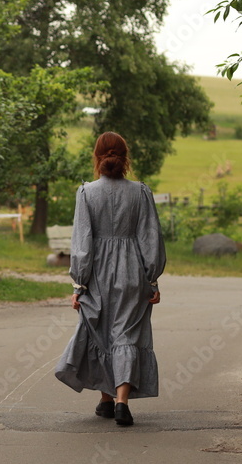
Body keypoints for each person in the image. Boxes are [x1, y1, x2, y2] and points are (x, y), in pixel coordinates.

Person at [54, 132, 166, 426]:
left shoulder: (86, 193)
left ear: (97, 157)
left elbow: (82, 243)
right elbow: (150, 239)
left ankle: (109, 400)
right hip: (133, 274)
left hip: (98, 274)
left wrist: (79, 284)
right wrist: (152, 280)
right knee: (126, 334)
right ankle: (117, 402)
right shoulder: (140, 192)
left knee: (101, 333)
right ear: (125, 158)